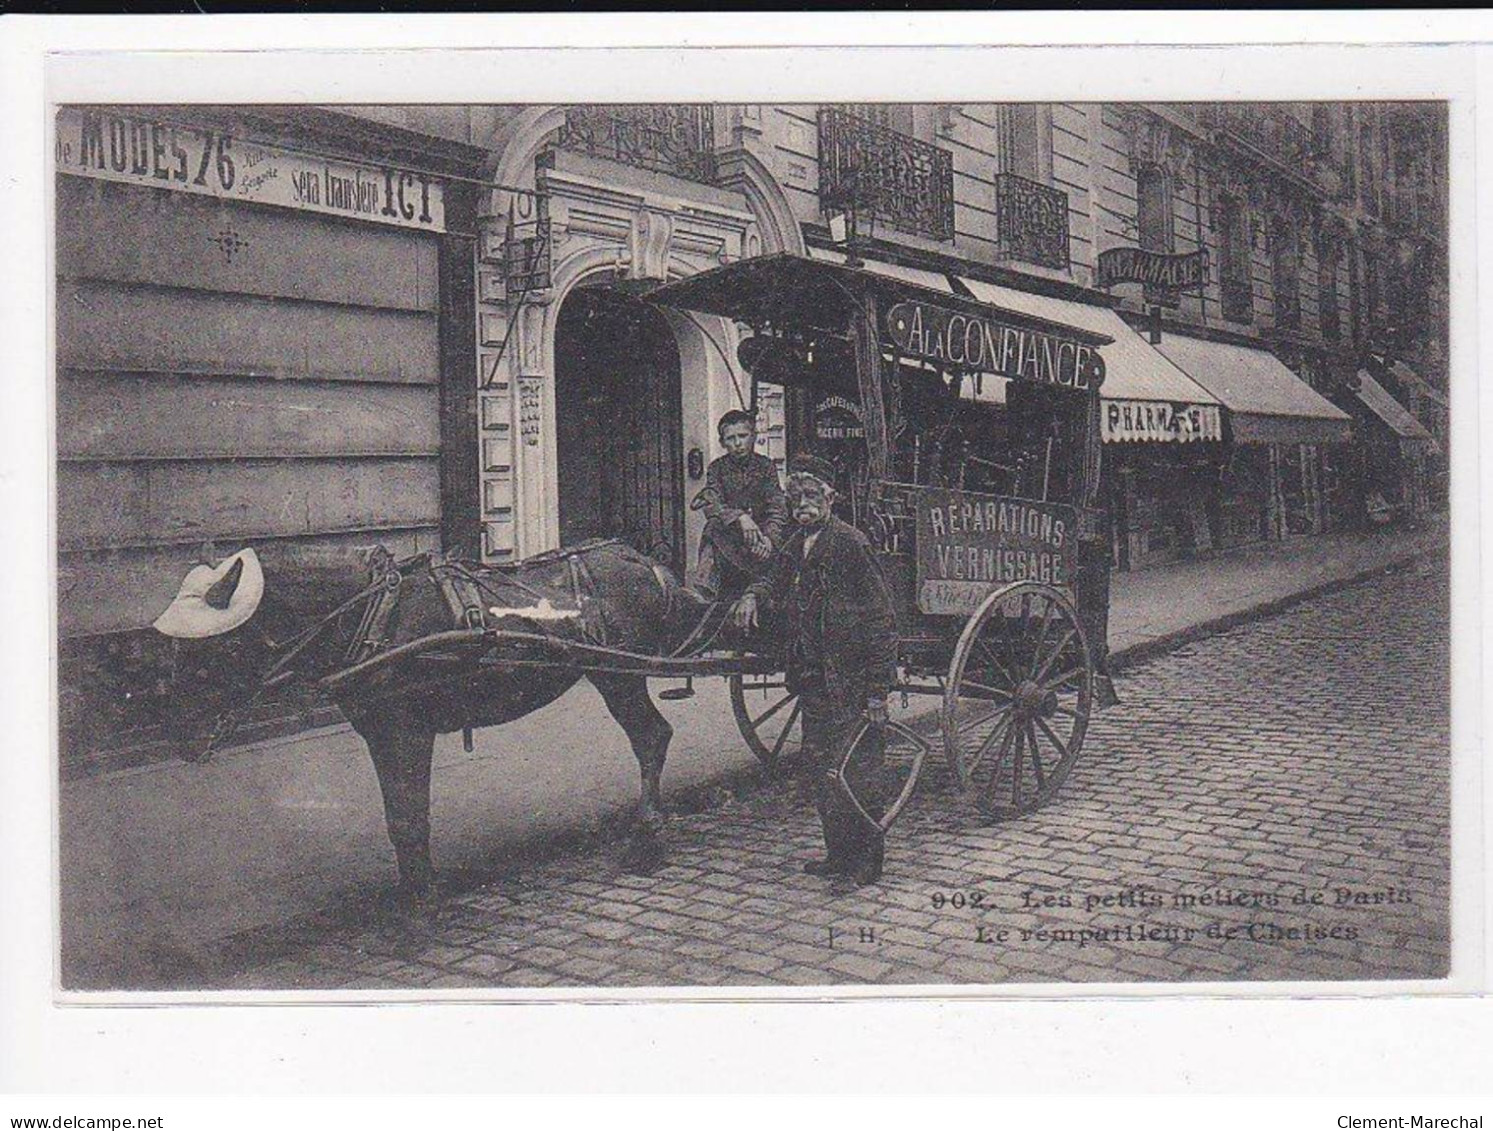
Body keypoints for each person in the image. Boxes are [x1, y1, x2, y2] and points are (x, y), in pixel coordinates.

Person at [731, 454, 899, 887]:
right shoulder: (797, 544)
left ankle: (866, 865)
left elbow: (880, 619)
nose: (802, 505)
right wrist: (752, 594)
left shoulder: (850, 543)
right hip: (814, 679)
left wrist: (879, 691)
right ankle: (838, 855)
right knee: (821, 767)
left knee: (857, 772)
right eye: (795, 498)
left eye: (811, 496)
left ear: (830, 498)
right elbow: (774, 577)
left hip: (852, 682)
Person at [690, 410, 788, 597]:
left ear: (754, 436)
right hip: (730, 538)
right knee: (713, 526)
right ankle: (706, 589)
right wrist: (740, 517)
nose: (737, 444)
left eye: (743, 436)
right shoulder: (717, 468)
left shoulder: (766, 466)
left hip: (760, 539)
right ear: (722, 442)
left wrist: (769, 539)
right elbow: (712, 503)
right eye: (730, 438)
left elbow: (776, 506)